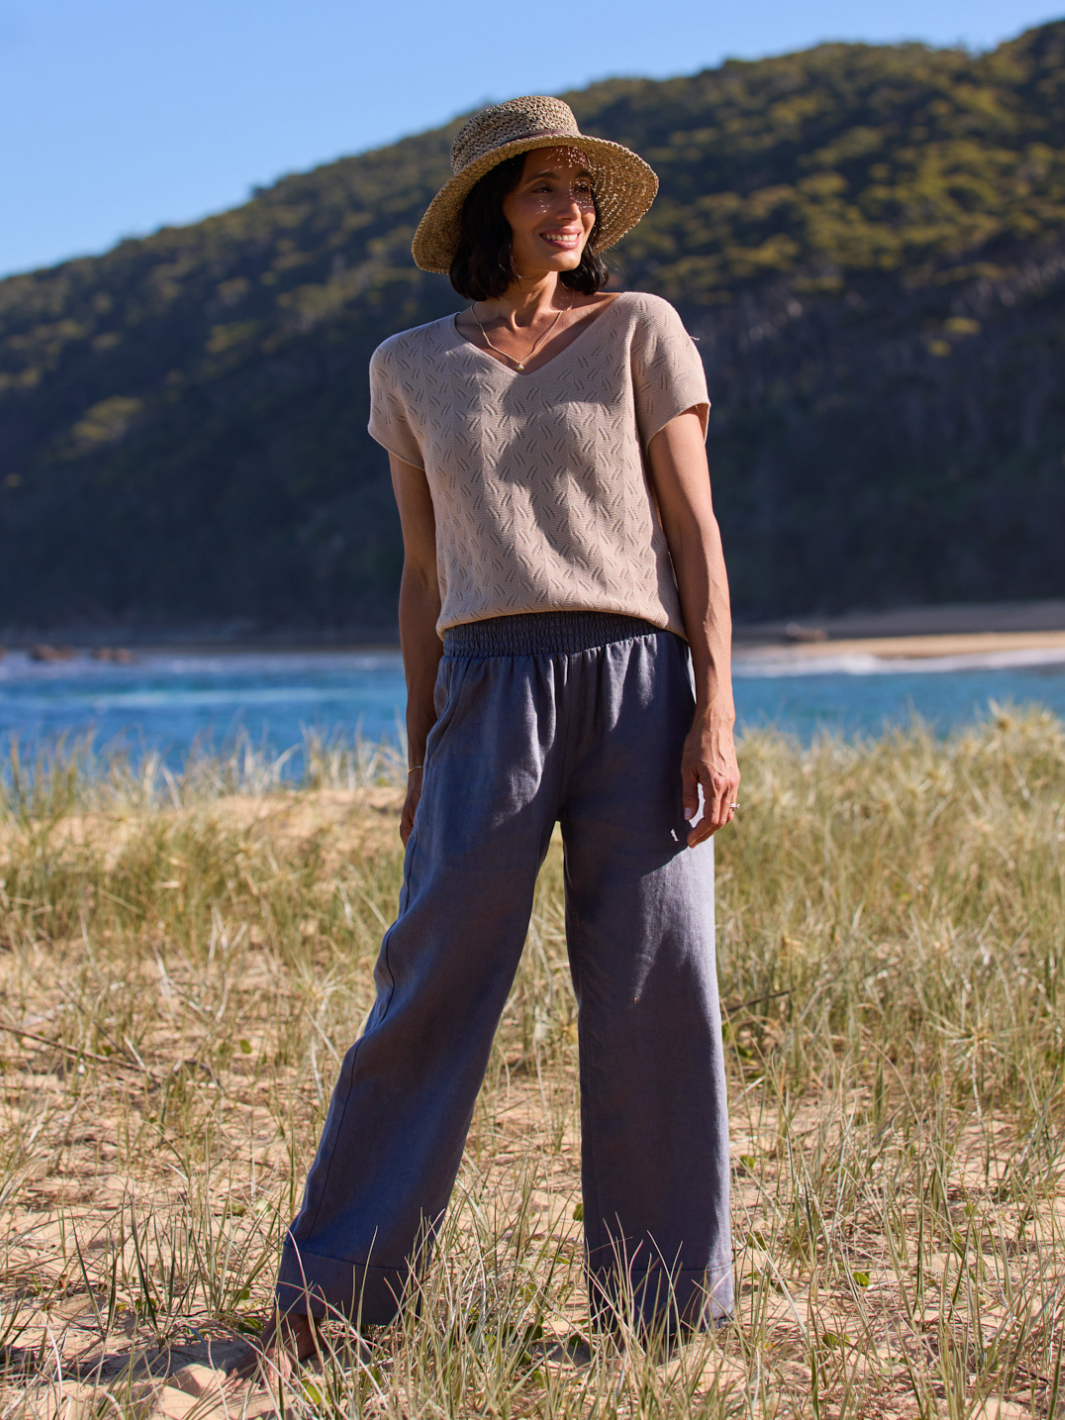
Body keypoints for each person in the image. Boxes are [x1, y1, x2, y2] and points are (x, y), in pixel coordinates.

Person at [240, 95, 740, 1376]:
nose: (571, 213)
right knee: (433, 975)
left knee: (653, 980)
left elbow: (695, 537)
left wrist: (715, 713)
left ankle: (661, 1309)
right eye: (543, 191)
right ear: (487, 210)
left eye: (583, 192)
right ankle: (335, 1290)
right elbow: (422, 576)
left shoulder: (640, 331)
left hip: (638, 674)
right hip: (484, 680)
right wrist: (421, 751)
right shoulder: (409, 365)